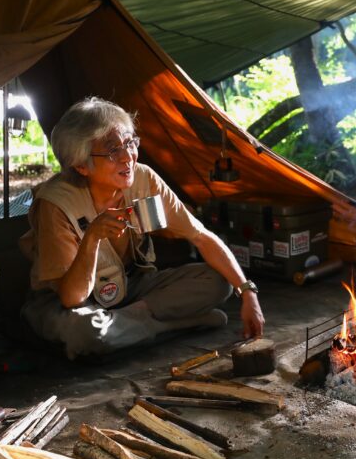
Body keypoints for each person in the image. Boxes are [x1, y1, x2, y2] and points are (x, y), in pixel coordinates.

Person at [20, 97, 264, 359]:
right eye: (113, 151)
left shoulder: (143, 178)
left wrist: (247, 292)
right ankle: (172, 325)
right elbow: (72, 298)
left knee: (219, 281)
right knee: (86, 332)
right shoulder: (56, 203)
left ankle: (127, 327)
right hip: (70, 303)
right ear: (81, 165)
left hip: (130, 287)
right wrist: (92, 238)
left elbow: (202, 237)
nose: (128, 158)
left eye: (129, 143)